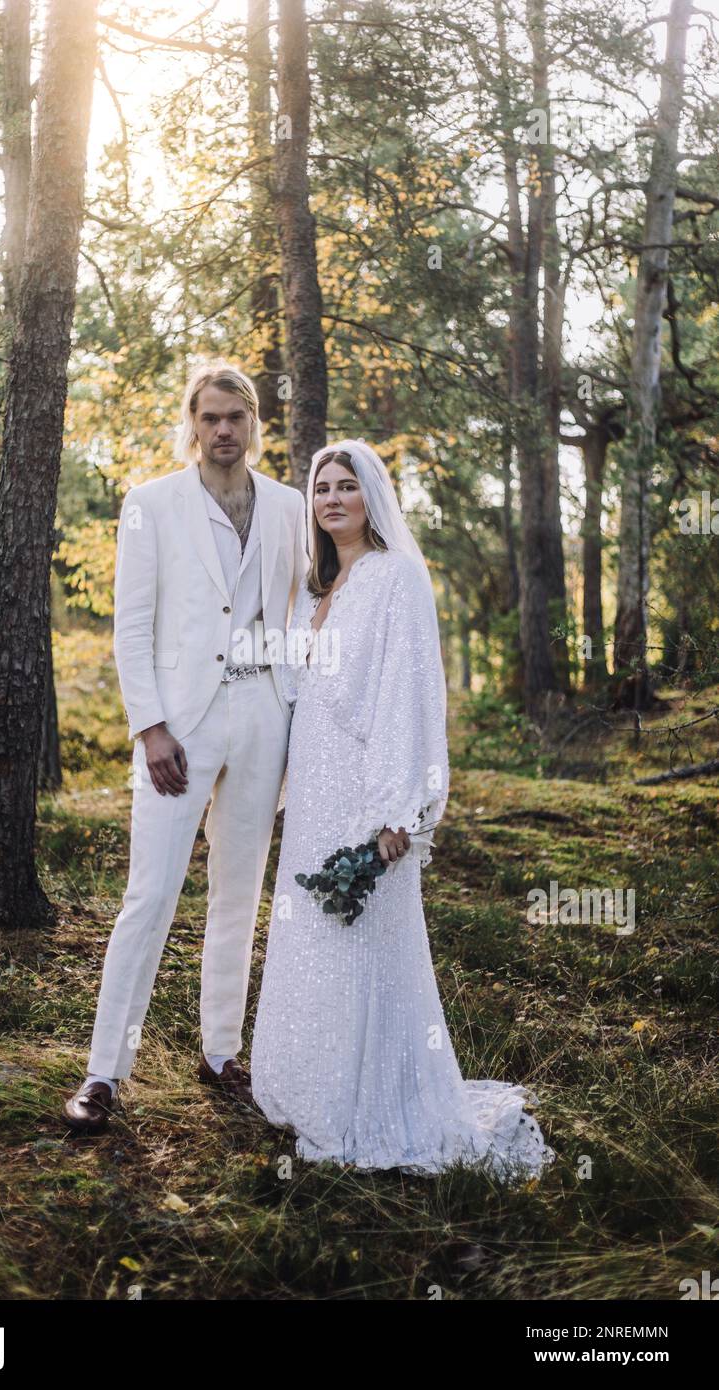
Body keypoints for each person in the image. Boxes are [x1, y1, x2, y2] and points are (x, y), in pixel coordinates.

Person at [251, 439, 556, 1180]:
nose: (330, 499)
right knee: (313, 932)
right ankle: (309, 1084)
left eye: (346, 486)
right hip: (313, 793)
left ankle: (371, 1099)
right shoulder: (320, 589)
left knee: (365, 941)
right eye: (320, 487)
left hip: (364, 793)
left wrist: (400, 811)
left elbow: (411, 697)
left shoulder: (396, 579)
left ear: (372, 498)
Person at [63, 361, 308, 1132]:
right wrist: (150, 726)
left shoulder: (289, 507)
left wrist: (295, 721)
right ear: (193, 423)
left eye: (237, 416)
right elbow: (131, 626)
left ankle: (221, 1052)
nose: (224, 430)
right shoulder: (151, 504)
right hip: (179, 728)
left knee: (239, 895)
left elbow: (295, 619)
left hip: (263, 717)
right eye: (211, 417)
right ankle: (104, 1072)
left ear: (255, 423)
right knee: (150, 897)